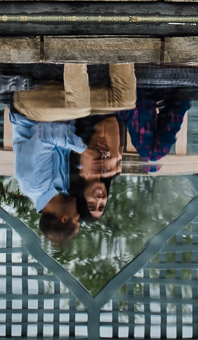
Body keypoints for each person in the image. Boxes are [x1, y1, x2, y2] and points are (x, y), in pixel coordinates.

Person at [9, 64, 136, 243]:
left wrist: (84, 150)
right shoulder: (65, 188)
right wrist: (102, 164)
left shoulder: (33, 184)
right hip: (64, 112)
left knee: (80, 107)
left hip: (29, 108)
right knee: (124, 101)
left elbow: (45, 133)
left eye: (76, 218)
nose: (78, 213)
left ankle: (74, 48)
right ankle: (124, 46)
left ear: (64, 217)